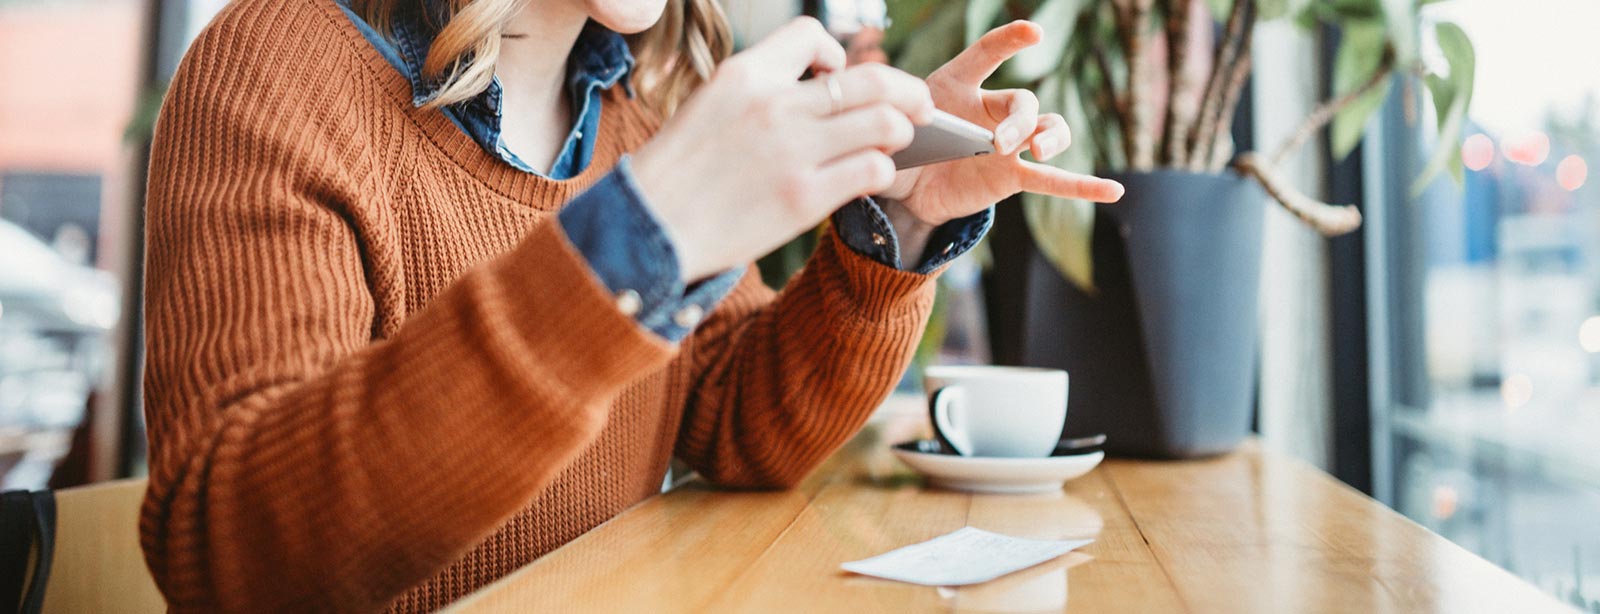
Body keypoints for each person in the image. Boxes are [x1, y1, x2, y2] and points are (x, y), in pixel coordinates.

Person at [138, 0, 1124, 608]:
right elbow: (232, 555)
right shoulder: (274, 65)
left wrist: (894, 226)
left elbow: (744, 425)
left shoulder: (631, 128)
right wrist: (642, 234)